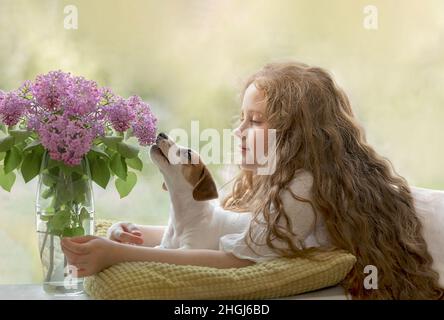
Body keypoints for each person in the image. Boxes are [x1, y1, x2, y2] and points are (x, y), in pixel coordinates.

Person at [61, 61, 443, 299]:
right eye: (241, 119)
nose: (239, 131)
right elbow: (222, 229)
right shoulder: (277, 180)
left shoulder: (300, 189)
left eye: (256, 121)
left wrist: (118, 253)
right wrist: (141, 233)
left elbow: (235, 262)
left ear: (296, 134)